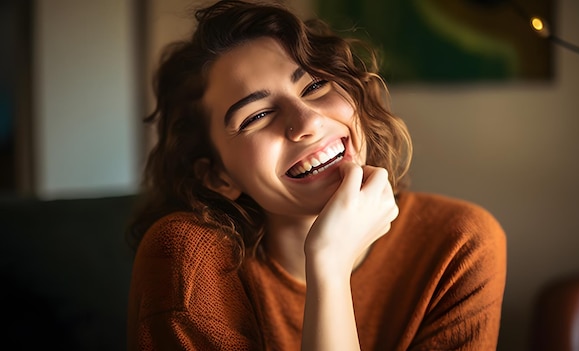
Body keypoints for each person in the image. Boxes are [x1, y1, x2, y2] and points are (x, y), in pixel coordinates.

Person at [126, 0, 507, 350]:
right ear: (217, 176)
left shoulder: (460, 244)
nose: (307, 121)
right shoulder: (187, 262)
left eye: (314, 85)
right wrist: (330, 264)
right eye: (256, 116)